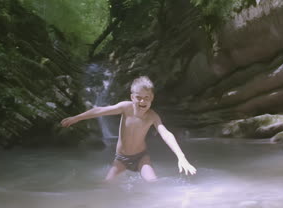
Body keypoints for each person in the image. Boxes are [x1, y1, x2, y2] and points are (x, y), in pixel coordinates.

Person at [60, 76, 197, 182]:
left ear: (152, 98)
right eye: (139, 98)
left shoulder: (152, 116)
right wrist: (76, 118)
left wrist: (181, 157)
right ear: (132, 97)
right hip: (121, 159)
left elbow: (165, 133)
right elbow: (100, 110)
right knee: (105, 185)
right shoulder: (125, 108)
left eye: (146, 98)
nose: (142, 101)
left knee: (154, 183)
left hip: (141, 158)